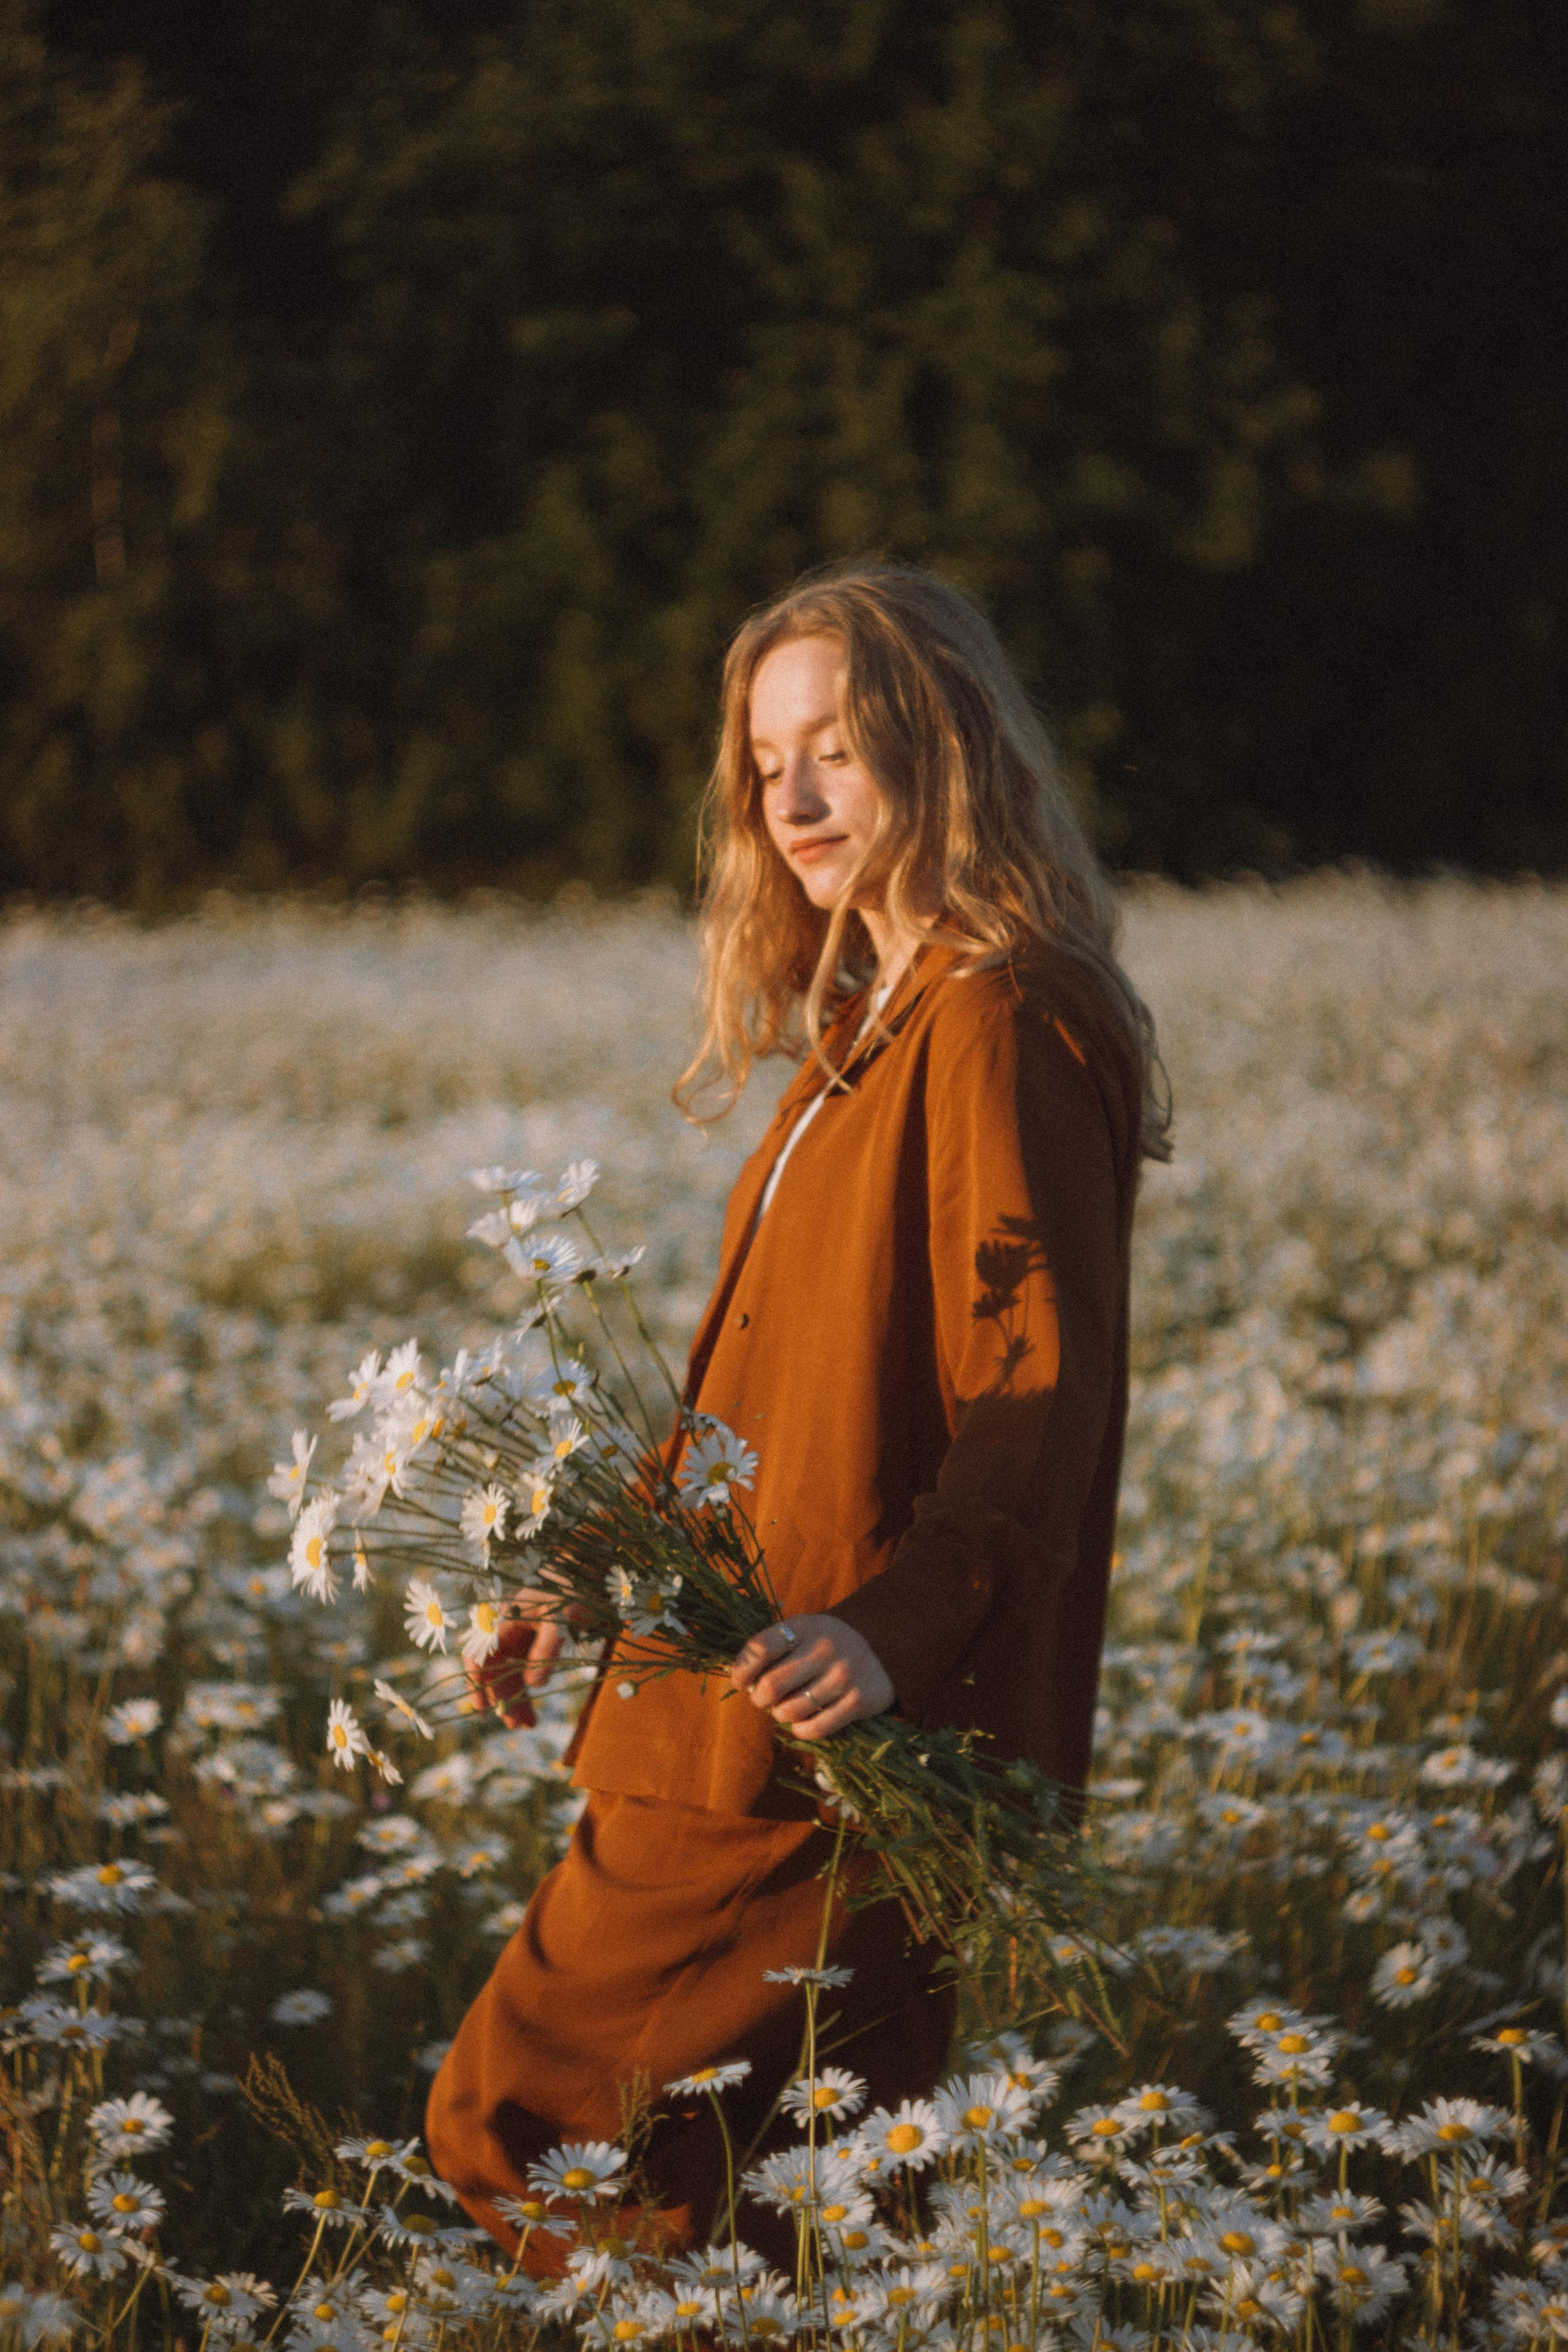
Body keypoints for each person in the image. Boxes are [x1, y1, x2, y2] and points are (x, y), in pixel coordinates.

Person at [424, 562, 1170, 2265]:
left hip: (817, 1741)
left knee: (517, 2133)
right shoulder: (868, 1029)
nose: (797, 797)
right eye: (769, 762)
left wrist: (894, 1635)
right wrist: (588, 1577)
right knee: (823, 2216)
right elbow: (766, 1406)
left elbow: (1035, 1391)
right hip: (755, 1704)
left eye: (839, 744)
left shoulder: (995, 1018)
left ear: (948, 745)